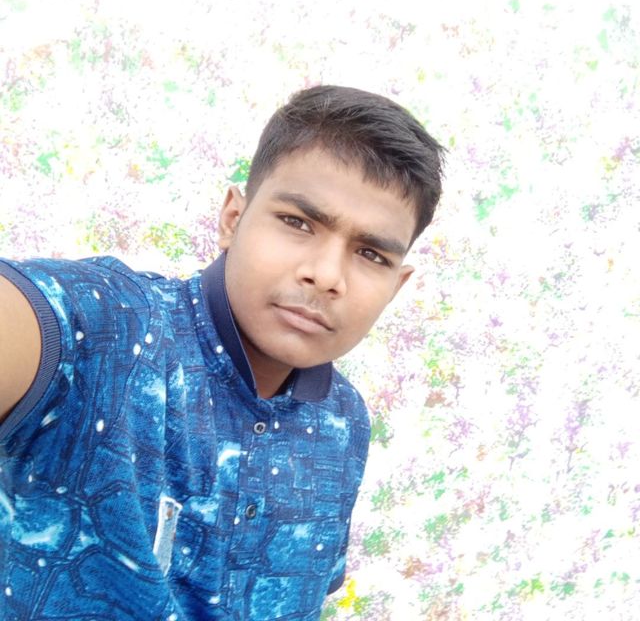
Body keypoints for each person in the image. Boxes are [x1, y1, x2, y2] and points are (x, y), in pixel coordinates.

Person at [0, 85, 445, 620]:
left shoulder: (345, 422)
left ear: (396, 286)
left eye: (370, 254)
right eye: (297, 222)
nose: (327, 275)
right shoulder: (107, 329)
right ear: (233, 218)